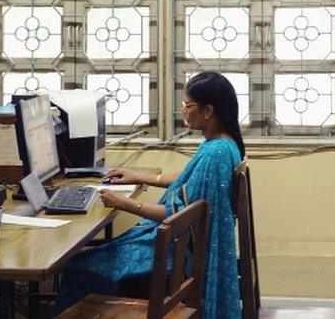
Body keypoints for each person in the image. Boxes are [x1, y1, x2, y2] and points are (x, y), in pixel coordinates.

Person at [52, 72, 245, 317]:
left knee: (80, 265)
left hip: (175, 256)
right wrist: (139, 176)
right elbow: (190, 178)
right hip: (179, 248)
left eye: (187, 105)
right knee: (99, 252)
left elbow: (178, 214)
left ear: (208, 111)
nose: (183, 111)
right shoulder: (223, 145)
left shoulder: (214, 153)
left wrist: (123, 203)